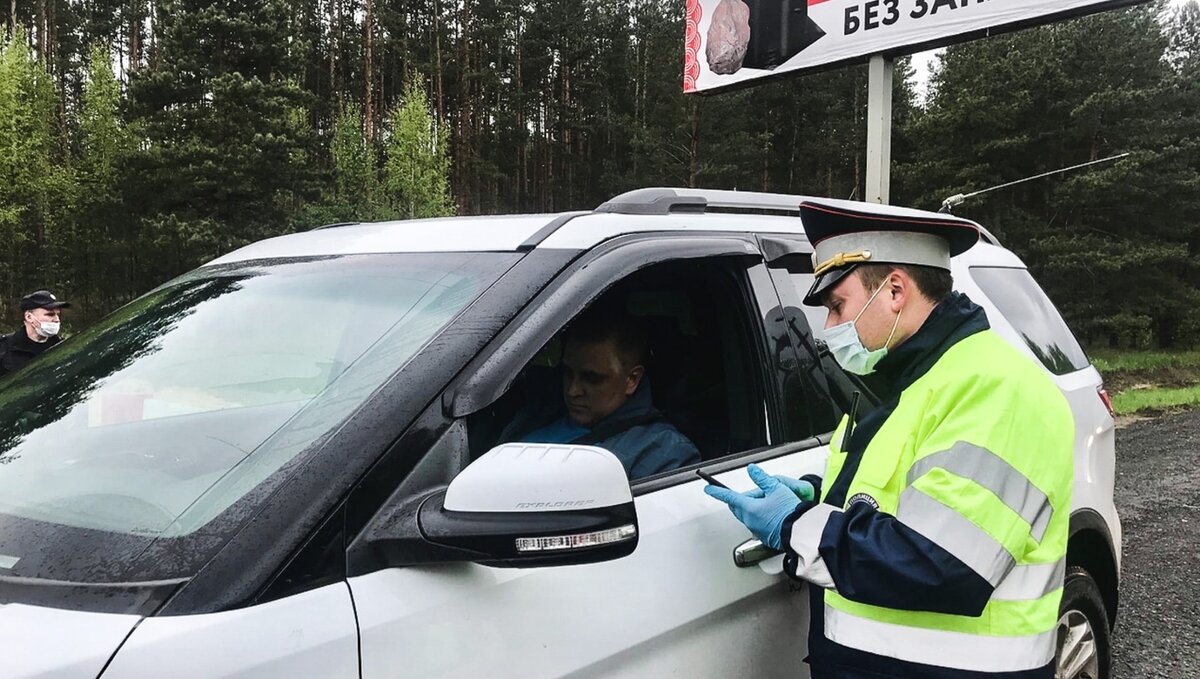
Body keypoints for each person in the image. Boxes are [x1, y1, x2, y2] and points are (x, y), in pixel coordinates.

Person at [704, 200, 1074, 678]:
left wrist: (796, 524)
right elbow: (902, 493)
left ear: (896, 290)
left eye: (837, 306)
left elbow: (940, 564)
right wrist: (821, 497)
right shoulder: (903, 381)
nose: (829, 329)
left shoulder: (995, 389)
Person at [511, 308, 700, 479]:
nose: (572, 390)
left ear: (631, 380)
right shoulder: (537, 413)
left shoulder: (662, 452)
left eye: (592, 378)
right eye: (568, 372)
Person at [0, 290, 71, 378]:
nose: (56, 319)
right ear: (29, 317)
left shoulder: (63, 348)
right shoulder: (4, 347)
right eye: (50, 314)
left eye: (58, 315)